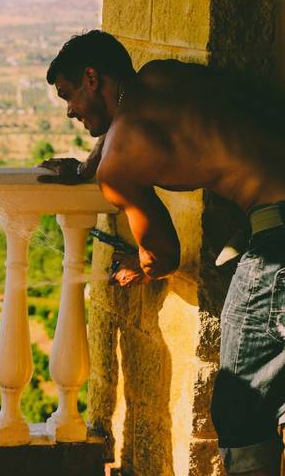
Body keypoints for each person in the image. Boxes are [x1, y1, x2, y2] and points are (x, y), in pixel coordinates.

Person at [39, 29, 285, 476]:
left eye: (68, 96)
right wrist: (87, 166)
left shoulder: (120, 163)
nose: (70, 110)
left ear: (91, 78)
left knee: (242, 408)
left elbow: (164, 257)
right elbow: (119, 131)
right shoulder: (160, 76)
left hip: (279, 243)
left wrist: (139, 265)